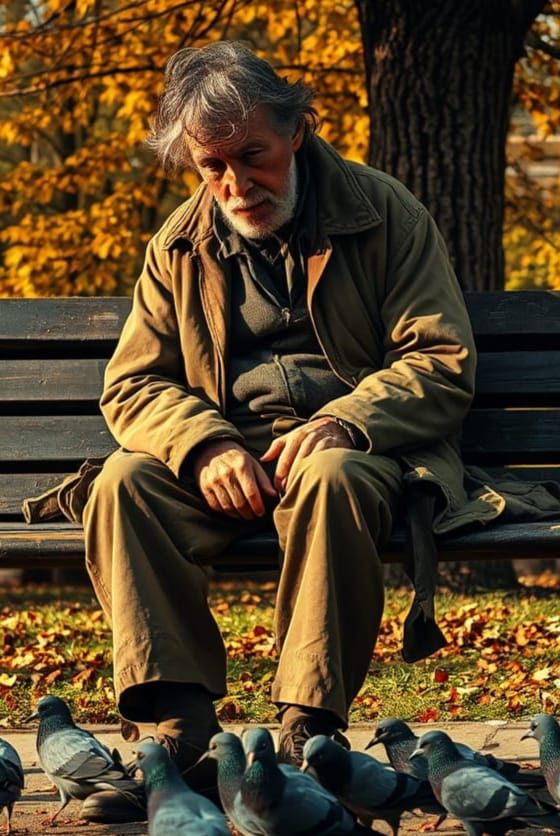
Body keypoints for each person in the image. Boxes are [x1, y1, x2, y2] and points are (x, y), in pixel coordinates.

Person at [79, 40, 476, 823]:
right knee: (123, 484)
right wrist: (205, 444)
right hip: (229, 459)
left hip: (357, 452)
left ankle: (307, 733)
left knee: (331, 478)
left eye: (252, 156)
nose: (235, 184)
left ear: (298, 130)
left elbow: (440, 358)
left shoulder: (384, 209)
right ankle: (178, 740)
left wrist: (344, 421)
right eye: (211, 167)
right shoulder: (179, 244)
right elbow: (132, 384)